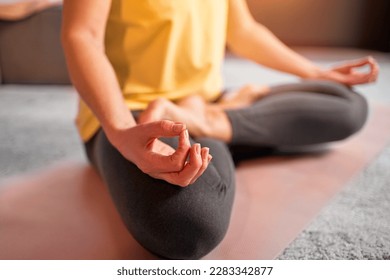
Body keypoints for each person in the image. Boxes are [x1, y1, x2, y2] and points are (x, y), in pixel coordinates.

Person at [61, 0, 379, 259]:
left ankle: (210, 121)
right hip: (131, 115)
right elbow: (82, 35)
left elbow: (242, 29)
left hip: (208, 101)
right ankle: (221, 122)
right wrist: (120, 129)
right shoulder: (124, 123)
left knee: (347, 105)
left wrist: (315, 72)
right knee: (189, 229)